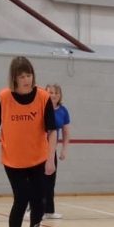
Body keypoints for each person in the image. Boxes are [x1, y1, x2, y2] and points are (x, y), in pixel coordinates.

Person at [0, 57, 59, 227]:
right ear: (14, 78)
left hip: (38, 159)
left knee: (39, 203)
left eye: (29, 75)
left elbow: (52, 131)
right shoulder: (3, 98)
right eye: (22, 76)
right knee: (22, 198)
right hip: (13, 161)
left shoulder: (43, 97)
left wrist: (50, 159)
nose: (26, 80)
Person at [43, 82, 68, 218]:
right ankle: (33, 209)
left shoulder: (63, 111)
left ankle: (49, 211)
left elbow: (66, 132)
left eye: (56, 93)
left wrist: (64, 149)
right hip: (38, 150)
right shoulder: (41, 108)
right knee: (38, 180)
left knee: (50, 181)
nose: (53, 95)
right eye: (50, 92)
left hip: (52, 150)